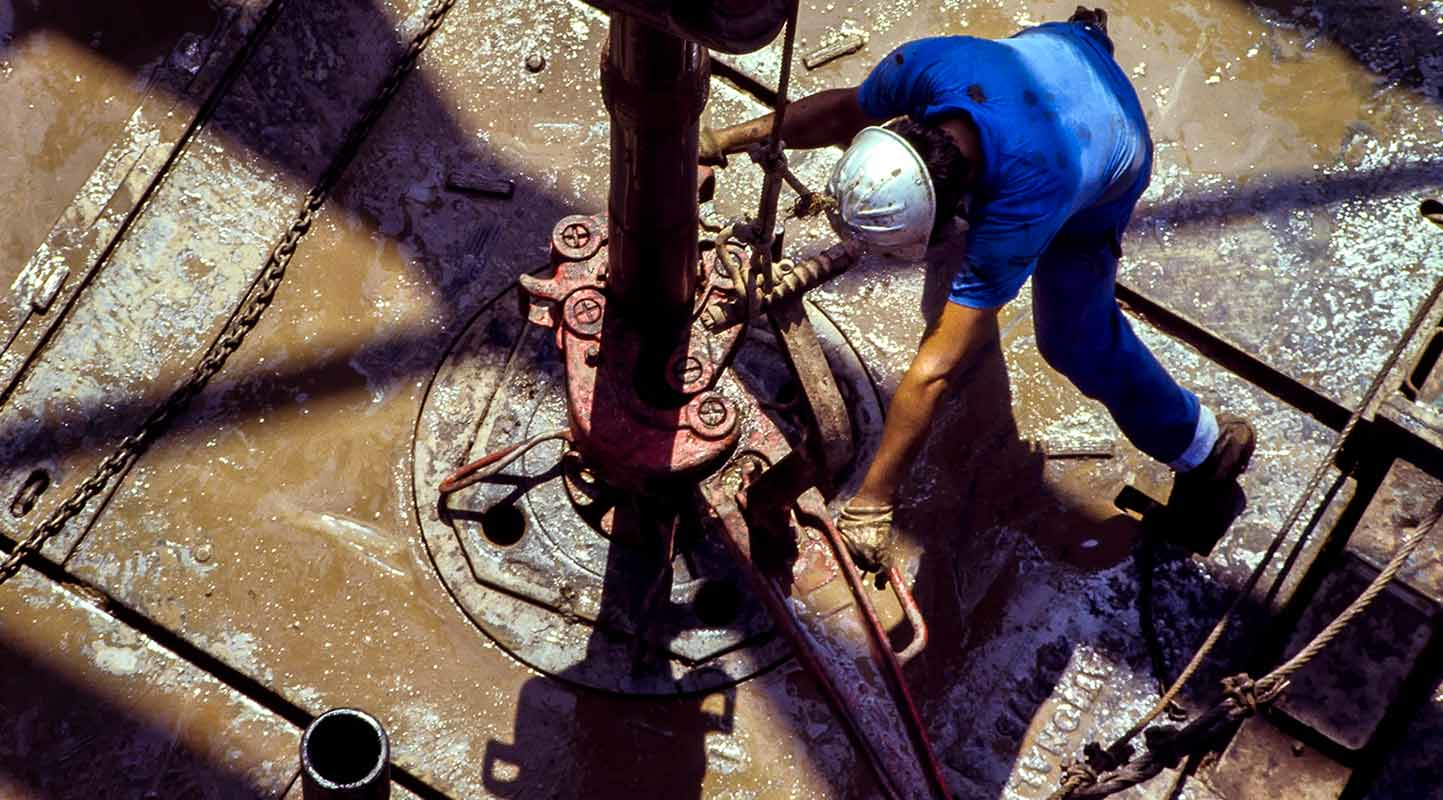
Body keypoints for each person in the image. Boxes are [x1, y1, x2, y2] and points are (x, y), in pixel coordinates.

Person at [700, 7, 1255, 570]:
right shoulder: (920, 70)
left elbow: (935, 368)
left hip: (1107, 138)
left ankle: (1204, 446)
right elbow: (844, 111)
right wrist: (726, 138)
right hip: (1054, 54)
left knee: (1071, 338)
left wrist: (873, 500)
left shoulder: (1022, 207)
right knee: (966, 302)